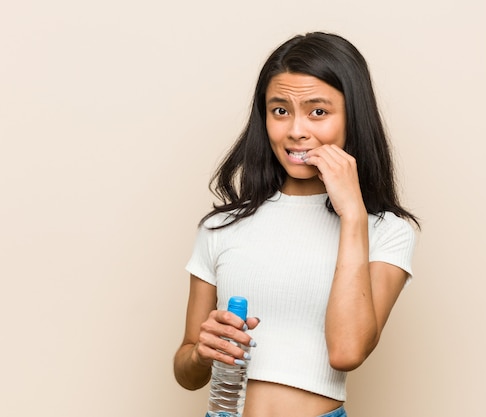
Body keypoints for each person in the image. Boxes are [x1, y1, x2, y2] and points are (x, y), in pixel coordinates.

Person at [174, 31, 419, 417]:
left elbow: (347, 351)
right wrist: (203, 352)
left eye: (317, 112)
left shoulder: (386, 230)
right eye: (280, 110)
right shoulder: (221, 226)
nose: (296, 131)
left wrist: (352, 214)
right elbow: (186, 371)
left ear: (353, 117)